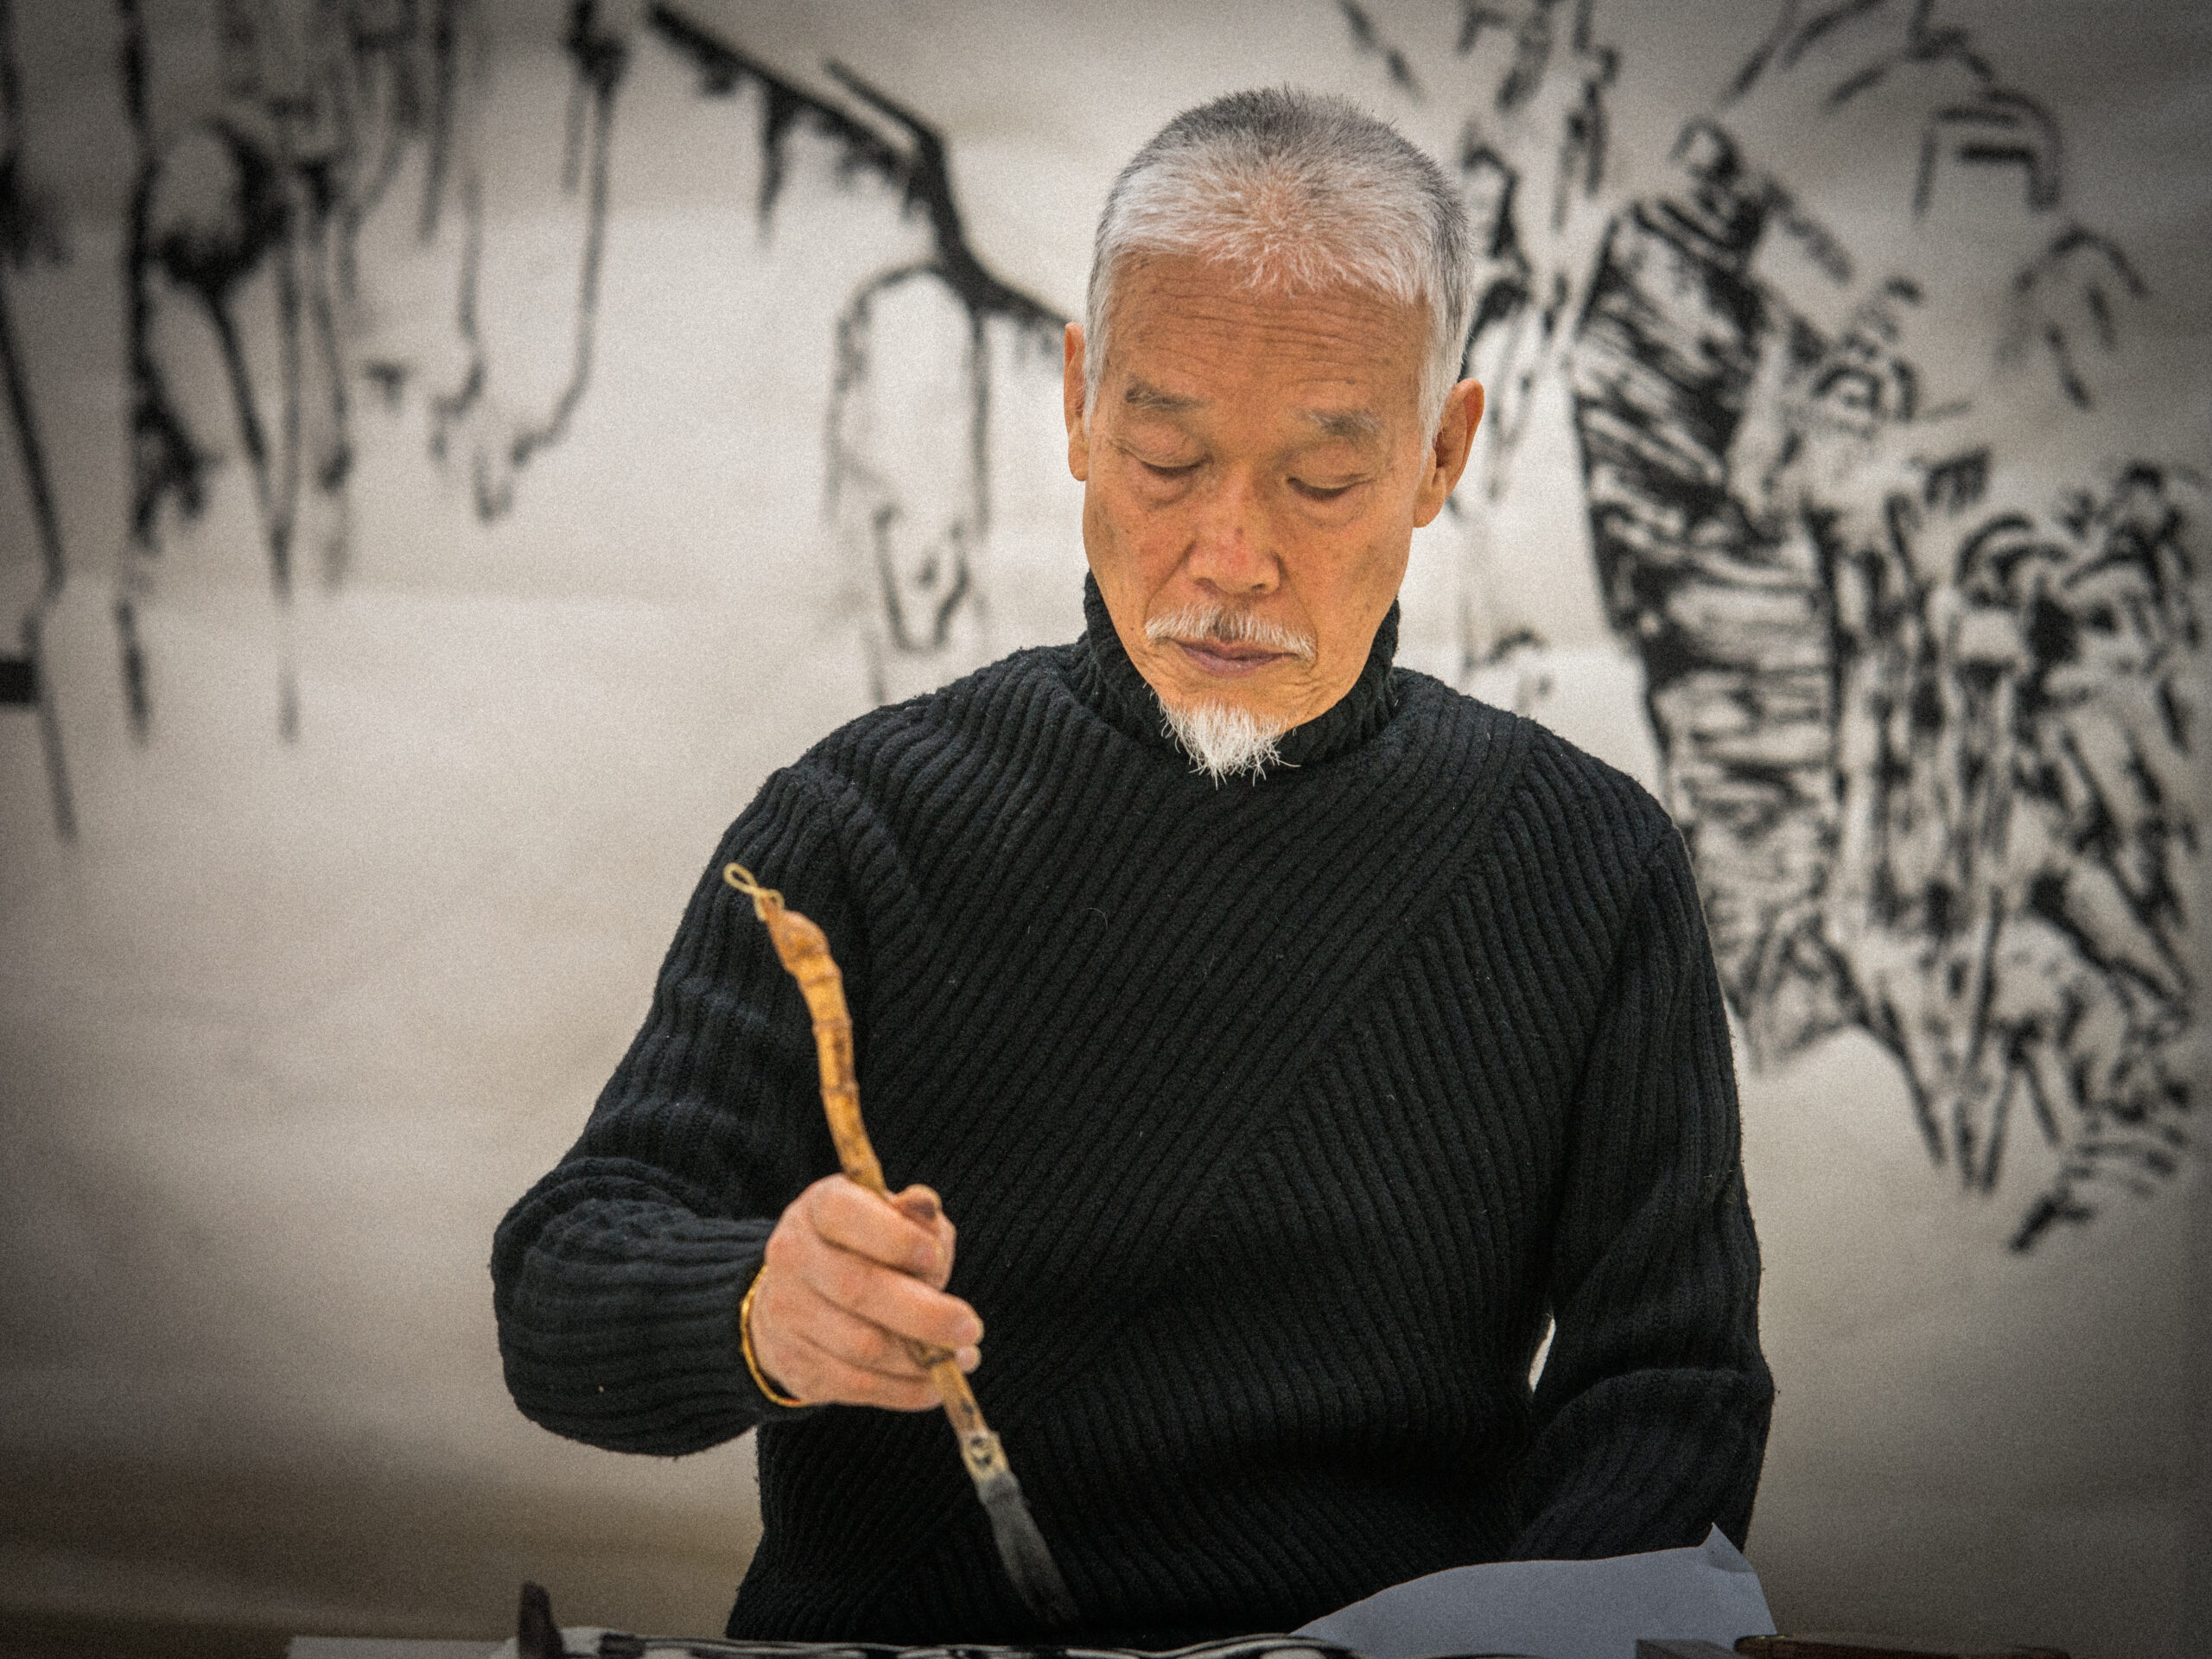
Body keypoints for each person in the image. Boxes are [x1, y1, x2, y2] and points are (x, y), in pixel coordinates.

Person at [492, 87, 1772, 1647]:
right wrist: (761, 1306)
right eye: (1165, 457)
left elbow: (1671, 1390)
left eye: (1319, 482)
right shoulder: (859, 826)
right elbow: (563, 1281)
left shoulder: (1583, 865)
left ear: (1443, 455)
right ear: (1081, 407)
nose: (1230, 556)